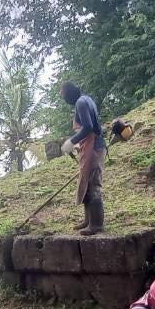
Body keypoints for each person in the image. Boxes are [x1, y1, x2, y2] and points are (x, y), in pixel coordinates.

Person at [59, 82, 106, 235]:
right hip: (89, 146)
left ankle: (96, 224)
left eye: (64, 95)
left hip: (94, 147)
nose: (64, 99)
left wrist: (71, 141)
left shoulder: (81, 102)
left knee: (93, 183)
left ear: (70, 94)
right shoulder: (87, 99)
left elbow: (88, 127)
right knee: (85, 182)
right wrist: (78, 143)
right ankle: (88, 220)